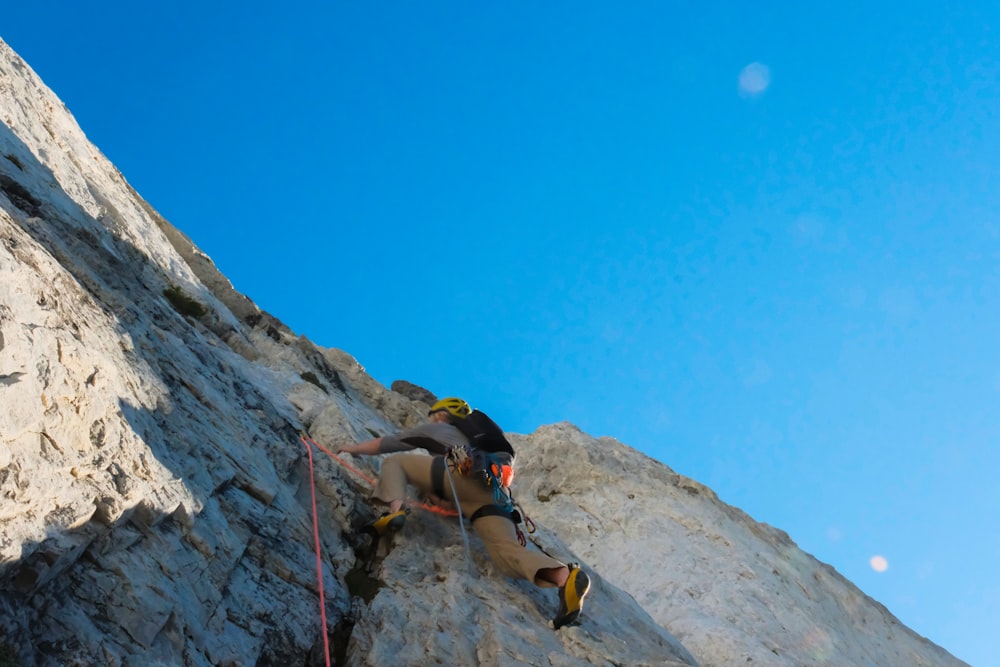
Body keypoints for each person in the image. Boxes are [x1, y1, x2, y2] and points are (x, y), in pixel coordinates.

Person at [337, 397, 591, 629]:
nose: (432, 419)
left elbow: (389, 443)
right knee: (505, 554)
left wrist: (350, 448)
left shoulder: (440, 429)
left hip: (459, 472)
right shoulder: (488, 447)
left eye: (434, 414)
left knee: (396, 462)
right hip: (493, 494)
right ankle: (564, 576)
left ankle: (396, 510)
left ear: (442, 415)